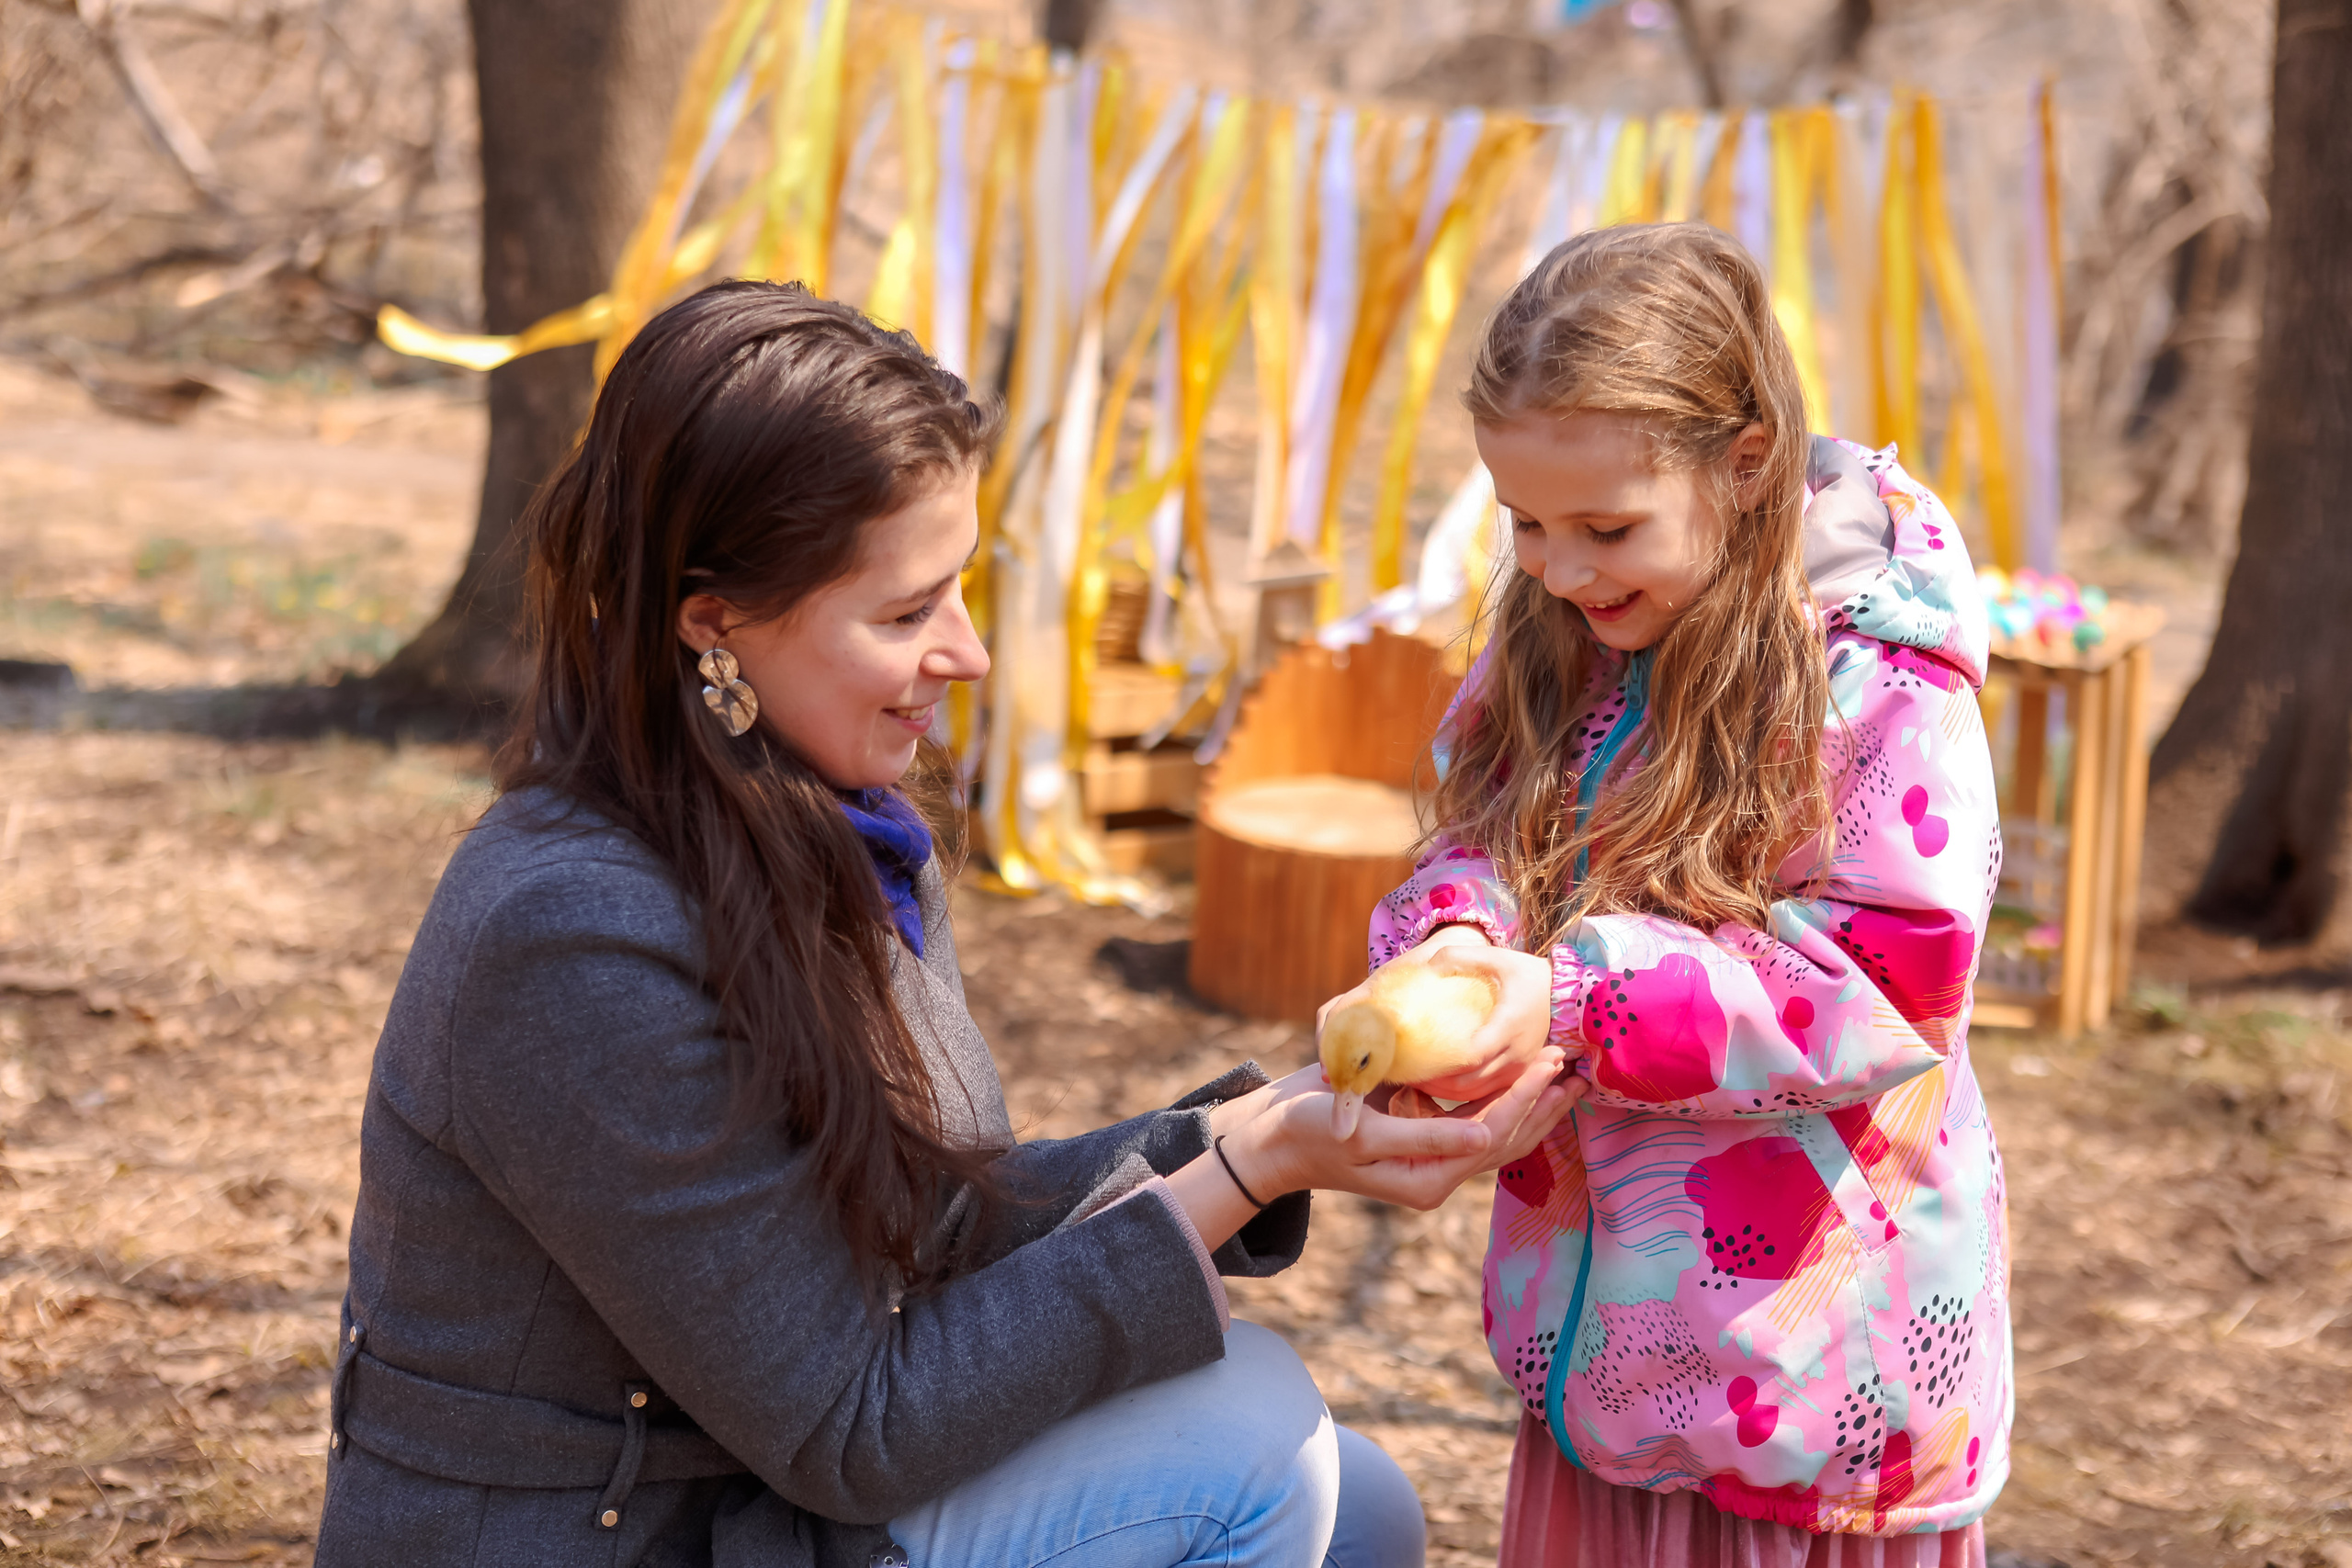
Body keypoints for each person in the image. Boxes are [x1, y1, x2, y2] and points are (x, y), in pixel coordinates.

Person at [313, 279, 1580, 1568]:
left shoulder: (835, 829)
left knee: (1364, 1510)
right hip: (633, 1536)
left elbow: (938, 1224)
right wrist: (1244, 1177)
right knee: (1255, 1439)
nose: (967, 653)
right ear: (714, 625)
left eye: (958, 588)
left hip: (763, 1491)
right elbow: (850, 1429)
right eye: (906, 612)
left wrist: (1256, 1130)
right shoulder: (574, 943)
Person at [1347, 224, 2009, 1565]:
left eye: (1605, 528)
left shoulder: (1875, 678)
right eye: (1525, 522)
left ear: (1746, 463)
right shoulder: (1567, 627)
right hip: (1607, 1352)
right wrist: (1461, 942)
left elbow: (1883, 983)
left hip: (1803, 1370)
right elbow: (1479, 830)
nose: (1558, 566)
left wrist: (1576, 1000)